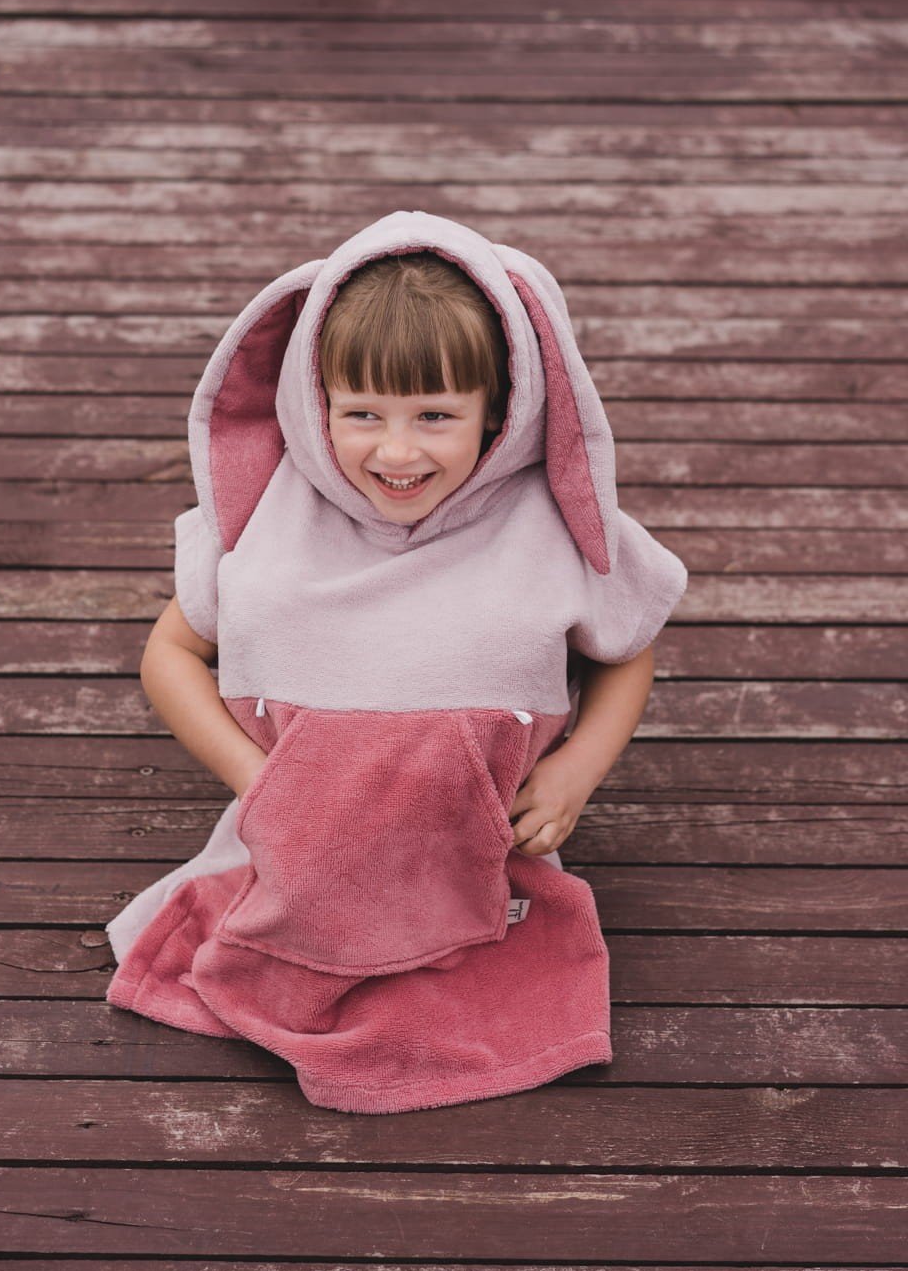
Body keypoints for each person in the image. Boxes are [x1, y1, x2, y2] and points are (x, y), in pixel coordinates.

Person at [105, 209, 688, 1115]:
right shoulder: (272, 525)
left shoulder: (551, 531)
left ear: (501, 410)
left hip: (478, 856)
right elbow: (170, 652)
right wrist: (260, 782)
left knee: (499, 989)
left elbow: (628, 649)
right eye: (362, 413)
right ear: (314, 403)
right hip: (290, 853)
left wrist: (577, 769)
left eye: (436, 416)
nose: (398, 450)